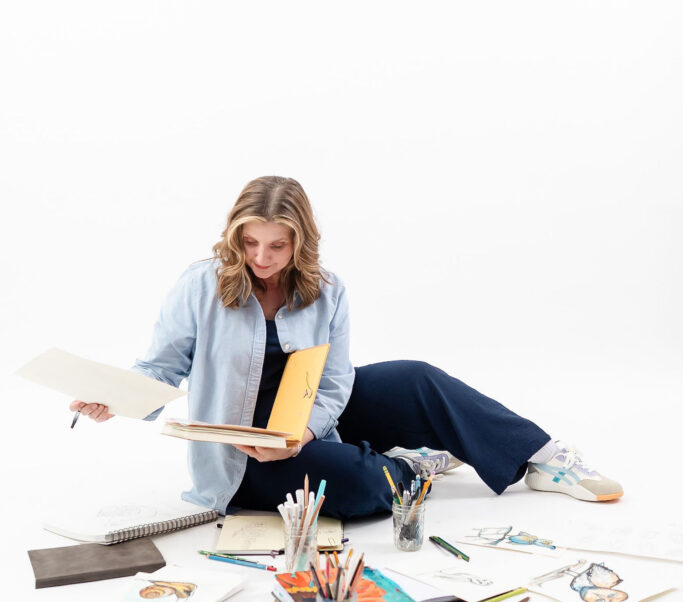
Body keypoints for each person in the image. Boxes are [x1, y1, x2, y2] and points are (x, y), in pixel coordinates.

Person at [70, 176, 623, 520]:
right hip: (243, 451)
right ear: (236, 234)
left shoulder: (326, 289)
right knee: (363, 486)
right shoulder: (201, 283)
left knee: (415, 376)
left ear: (300, 241)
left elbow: (334, 381)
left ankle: (543, 458)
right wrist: (115, 401)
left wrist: (306, 433)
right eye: (250, 241)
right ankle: (412, 469)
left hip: (308, 419)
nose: (261, 257)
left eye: (277, 245)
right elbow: (160, 368)